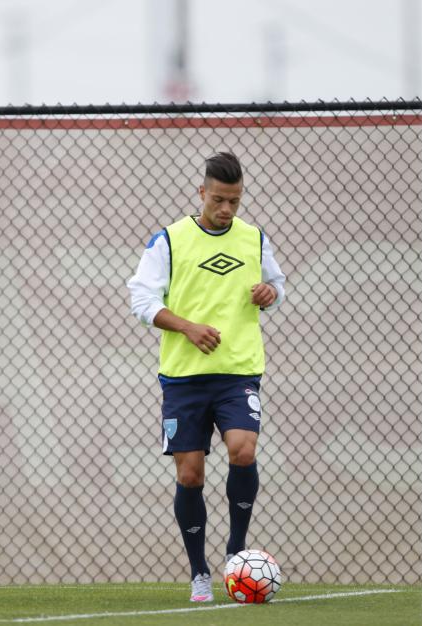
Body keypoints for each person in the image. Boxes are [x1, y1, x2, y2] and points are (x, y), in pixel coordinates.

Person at [127, 151, 286, 602]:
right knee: (191, 475)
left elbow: (279, 287)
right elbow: (140, 299)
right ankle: (199, 572)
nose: (226, 210)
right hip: (184, 379)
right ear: (201, 192)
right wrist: (187, 327)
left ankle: (236, 553)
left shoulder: (254, 239)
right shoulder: (170, 241)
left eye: (234, 201)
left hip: (238, 372)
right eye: (218, 199)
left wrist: (269, 291)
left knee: (243, 449)